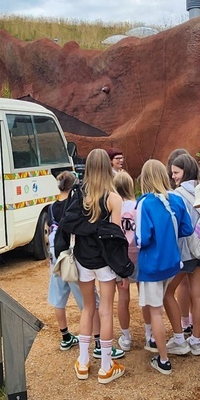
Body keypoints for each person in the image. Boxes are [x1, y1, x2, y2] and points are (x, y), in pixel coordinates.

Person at [57, 149, 126, 384]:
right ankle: (106, 366)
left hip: (82, 259)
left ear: (87, 168)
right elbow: (116, 238)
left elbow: (67, 224)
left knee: (88, 308)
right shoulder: (114, 198)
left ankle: (83, 362)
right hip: (105, 261)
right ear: (107, 167)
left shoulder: (78, 195)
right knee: (105, 310)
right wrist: (122, 270)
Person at [136, 158, 193, 375]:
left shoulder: (144, 202)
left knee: (155, 311)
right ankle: (179, 339)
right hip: (173, 262)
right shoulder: (176, 199)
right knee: (169, 296)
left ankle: (163, 360)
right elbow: (187, 229)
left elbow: (142, 238)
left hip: (152, 265)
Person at [167, 153, 200, 356]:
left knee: (168, 292)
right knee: (198, 293)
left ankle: (180, 335)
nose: (173, 176)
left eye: (176, 172)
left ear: (185, 171)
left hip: (185, 250)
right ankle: (196, 340)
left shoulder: (176, 195)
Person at [46, 171, 83, 350]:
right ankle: (97, 338)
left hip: (56, 258)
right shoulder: (74, 204)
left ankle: (65, 336)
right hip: (72, 257)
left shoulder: (51, 207)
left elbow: (48, 231)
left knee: (58, 298)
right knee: (86, 300)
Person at [112, 170, 138, 350]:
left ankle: (126, 337)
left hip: (120, 257)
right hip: (138, 254)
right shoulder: (138, 206)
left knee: (123, 296)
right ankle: (149, 334)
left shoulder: (114, 207)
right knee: (145, 295)